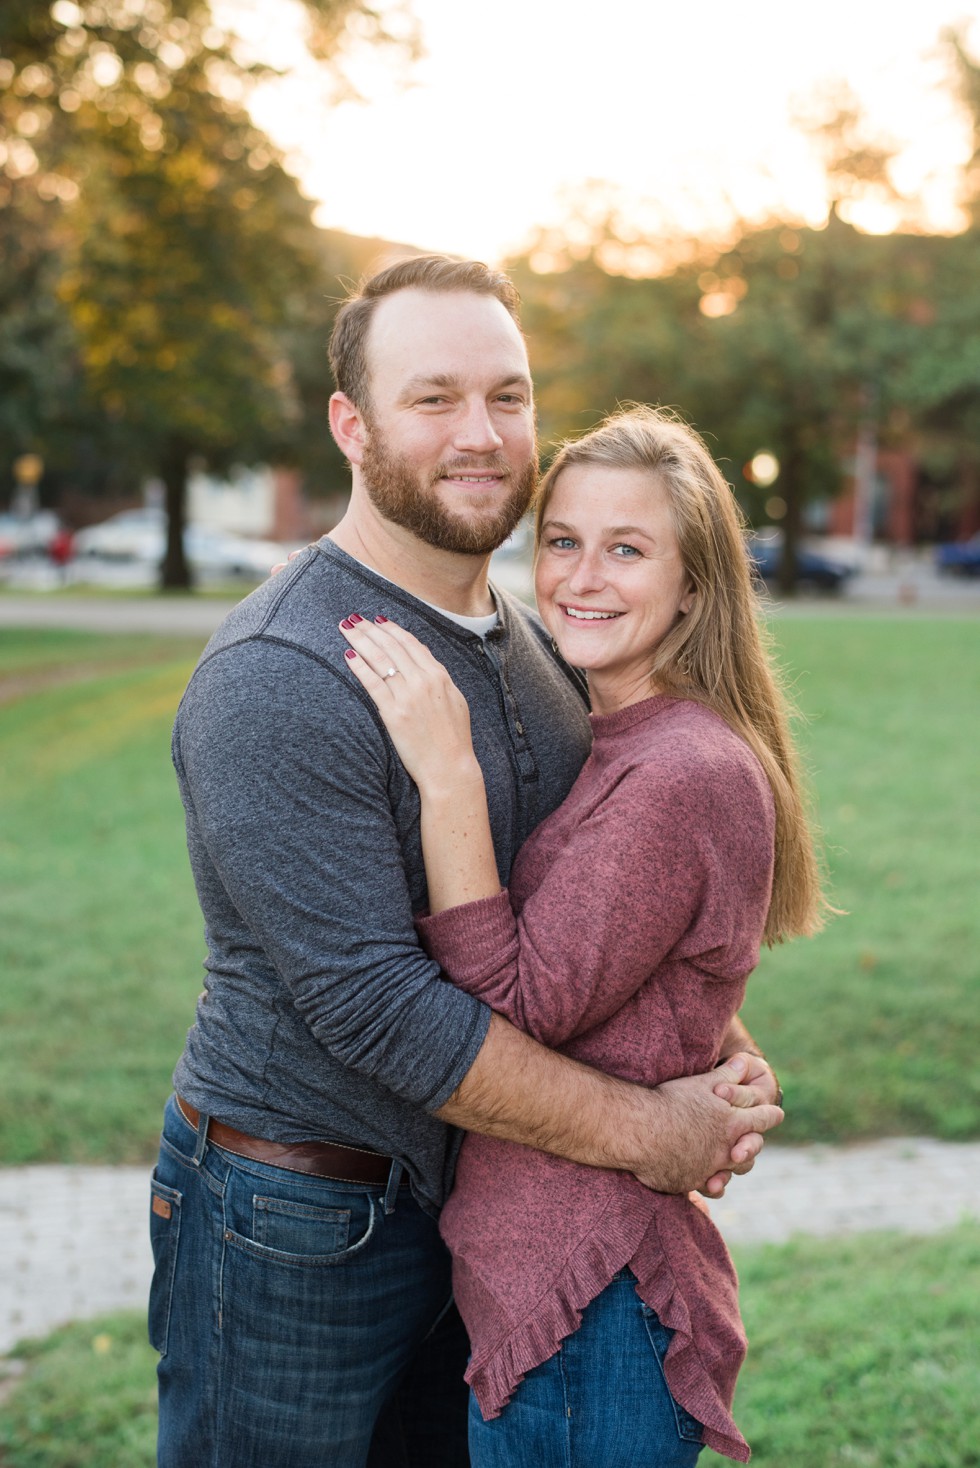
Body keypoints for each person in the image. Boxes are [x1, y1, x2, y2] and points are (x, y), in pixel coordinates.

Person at [149, 256, 783, 1468]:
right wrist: (654, 1131)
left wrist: (719, 1050)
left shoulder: (542, 648)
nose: (482, 434)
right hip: (292, 1212)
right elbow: (379, 1011)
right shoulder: (279, 676)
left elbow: (585, 913)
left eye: (508, 395)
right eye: (433, 397)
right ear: (351, 423)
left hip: (477, 1202)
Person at [338, 404, 824, 1466]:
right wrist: (728, 1046)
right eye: (561, 540)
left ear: (692, 583)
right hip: (562, 1286)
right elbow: (660, 967)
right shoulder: (611, 731)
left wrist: (446, 772)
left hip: (590, 1301)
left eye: (626, 549)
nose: (580, 577)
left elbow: (516, 1007)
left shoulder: (677, 773)